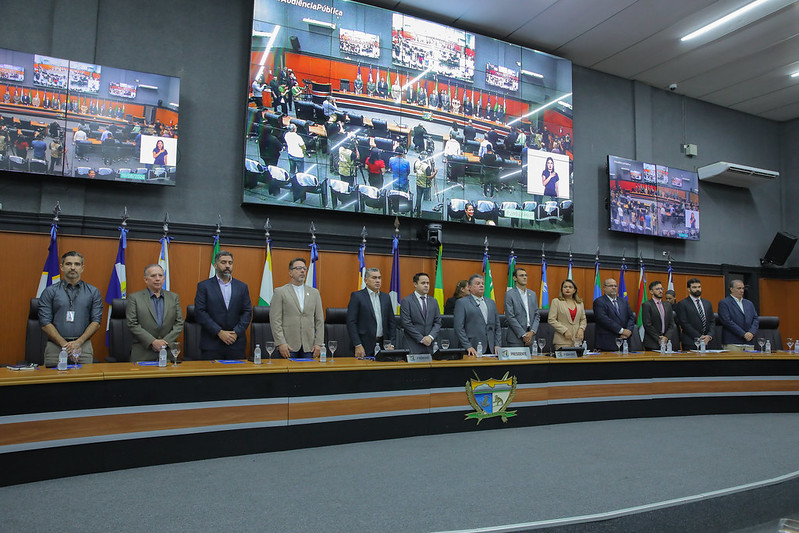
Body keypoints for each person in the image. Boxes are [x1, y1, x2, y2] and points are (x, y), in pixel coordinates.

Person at [38, 251, 103, 367]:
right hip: (55, 347)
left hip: (83, 346)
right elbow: (44, 322)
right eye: (68, 264)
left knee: (84, 383)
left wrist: (79, 342)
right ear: (62, 267)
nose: (73, 267)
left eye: (77, 264)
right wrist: (64, 344)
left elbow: (96, 322)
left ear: (82, 268)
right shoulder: (50, 291)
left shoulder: (93, 292)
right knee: (53, 383)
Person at [194, 251, 252, 359]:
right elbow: (200, 312)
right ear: (215, 265)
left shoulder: (242, 287)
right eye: (223, 262)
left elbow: (247, 311)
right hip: (212, 344)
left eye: (230, 263)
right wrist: (219, 332)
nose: (227, 266)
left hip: (236, 343)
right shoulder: (204, 286)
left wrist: (236, 332)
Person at [126, 264, 184, 362]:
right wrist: (153, 342)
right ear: (145, 279)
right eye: (153, 276)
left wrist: (164, 343)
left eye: (160, 276)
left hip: (168, 352)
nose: (157, 279)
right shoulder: (134, 298)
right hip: (143, 352)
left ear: (164, 278)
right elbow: (132, 324)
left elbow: (179, 323)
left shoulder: (173, 297)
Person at [270, 258, 324, 358]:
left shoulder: (314, 293)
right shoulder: (280, 292)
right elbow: (275, 320)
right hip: (288, 346)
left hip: (309, 346)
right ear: (290, 272)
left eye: (304, 268)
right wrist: (281, 343)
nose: (302, 271)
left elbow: (319, 320)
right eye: (298, 268)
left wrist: (319, 343)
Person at [347, 267, 396, 358]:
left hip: (383, 345)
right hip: (363, 345)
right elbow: (351, 323)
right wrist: (357, 344)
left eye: (379, 278)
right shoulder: (357, 296)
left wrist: (391, 343)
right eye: (374, 278)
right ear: (366, 280)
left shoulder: (386, 297)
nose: (377, 281)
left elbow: (392, 323)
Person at [454, 274, 501, 357]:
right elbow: (459, 328)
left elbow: (497, 326)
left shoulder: (491, 303)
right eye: (478, 283)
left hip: (492, 349)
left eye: (482, 283)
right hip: (472, 348)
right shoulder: (462, 303)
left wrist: (497, 345)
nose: (481, 286)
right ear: (470, 287)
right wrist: (468, 346)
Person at [400, 272, 442, 354]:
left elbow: (438, 322)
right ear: (415, 284)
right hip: (412, 345)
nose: (426, 285)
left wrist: (430, 337)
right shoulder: (407, 301)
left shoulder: (434, 301)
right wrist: (422, 339)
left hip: (430, 345)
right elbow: (406, 323)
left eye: (428, 283)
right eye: (423, 283)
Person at [593, 278, 635, 351]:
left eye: (615, 286)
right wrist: (621, 331)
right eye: (611, 286)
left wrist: (628, 331)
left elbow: (631, 317)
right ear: (604, 288)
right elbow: (603, 319)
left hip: (625, 341)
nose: (613, 288)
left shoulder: (623, 301)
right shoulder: (599, 302)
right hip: (607, 343)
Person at [675, 277, 715, 351]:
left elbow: (712, 321)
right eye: (694, 287)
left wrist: (709, 336)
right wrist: (699, 337)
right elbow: (684, 323)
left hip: (707, 342)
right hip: (691, 341)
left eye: (699, 287)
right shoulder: (683, 303)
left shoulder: (707, 303)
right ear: (688, 289)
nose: (697, 289)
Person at [717, 279, 759, 349]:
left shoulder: (749, 303)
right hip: (732, 342)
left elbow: (755, 319)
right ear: (731, 289)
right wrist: (743, 334)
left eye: (743, 288)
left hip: (749, 342)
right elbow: (727, 321)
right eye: (739, 288)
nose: (742, 291)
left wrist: (751, 332)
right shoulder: (724, 303)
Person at [504, 268, 540, 347]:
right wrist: (523, 335)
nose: (524, 277)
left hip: (531, 337)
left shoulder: (532, 294)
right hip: (515, 338)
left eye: (526, 275)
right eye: (521, 275)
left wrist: (532, 332)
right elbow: (510, 316)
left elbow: (537, 315)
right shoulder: (509, 294)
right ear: (514, 278)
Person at [548, 279, 587, 350]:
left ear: (574, 290)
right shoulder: (556, 302)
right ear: (562, 289)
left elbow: (583, 319)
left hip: (577, 340)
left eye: (570, 287)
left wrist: (581, 329)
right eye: (565, 287)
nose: (567, 289)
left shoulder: (580, 303)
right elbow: (551, 320)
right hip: (562, 340)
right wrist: (564, 330)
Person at [641, 280, 678, 351]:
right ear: (651, 291)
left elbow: (671, 324)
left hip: (667, 342)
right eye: (657, 289)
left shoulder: (667, 305)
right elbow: (647, 325)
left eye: (661, 289)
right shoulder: (647, 305)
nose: (660, 291)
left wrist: (666, 337)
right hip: (652, 342)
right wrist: (659, 338)